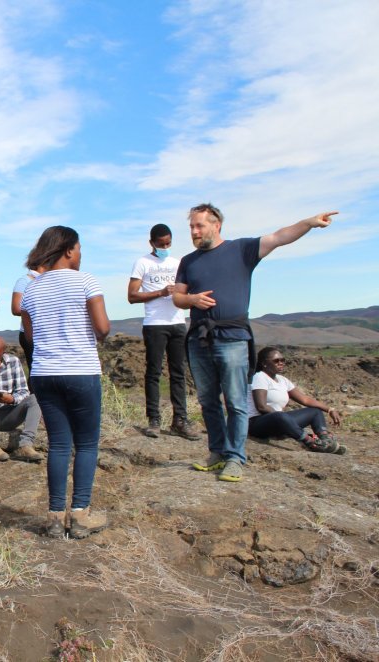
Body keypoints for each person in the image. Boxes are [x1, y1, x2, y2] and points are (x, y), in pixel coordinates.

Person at [173, 204, 338, 483]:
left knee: (236, 402)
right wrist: (192, 300)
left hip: (233, 339)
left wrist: (308, 223)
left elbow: (279, 237)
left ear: (217, 225)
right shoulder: (188, 261)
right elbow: (178, 297)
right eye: (191, 227)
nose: (194, 232)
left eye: (199, 226)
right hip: (200, 340)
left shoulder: (242, 250)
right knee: (208, 401)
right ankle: (217, 452)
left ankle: (235, 458)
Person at [20, 226, 110, 539]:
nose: (81, 254)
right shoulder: (87, 281)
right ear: (69, 250)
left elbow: (30, 336)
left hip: (44, 373)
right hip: (80, 370)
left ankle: (55, 517)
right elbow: (102, 328)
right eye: (79, 248)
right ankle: (81, 514)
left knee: (59, 444)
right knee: (86, 443)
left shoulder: (31, 289)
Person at [127, 224, 199, 440]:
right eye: (161, 244)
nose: (165, 247)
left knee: (179, 373)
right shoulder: (143, 263)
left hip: (178, 323)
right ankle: (154, 420)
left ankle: (180, 420)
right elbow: (131, 295)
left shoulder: (178, 263)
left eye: (168, 243)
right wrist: (160, 292)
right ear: (152, 243)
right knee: (154, 372)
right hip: (155, 324)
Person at [248, 347, 345, 454]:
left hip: (278, 421)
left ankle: (326, 441)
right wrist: (285, 422)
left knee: (315, 411)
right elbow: (261, 407)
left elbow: (305, 399)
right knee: (281, 416)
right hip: (256, 423)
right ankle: (311, 443)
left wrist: (330, 409)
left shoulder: (282, 380)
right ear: (264, 363)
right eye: (276, 361)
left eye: (282, 360)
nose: (281, 363)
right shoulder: (259, 377)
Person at [10, 265, 45, 372]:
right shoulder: (24, 281)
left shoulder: (49, 280)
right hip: (30, 333)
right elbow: (16, 308)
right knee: (36, 371)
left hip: (47, 333)